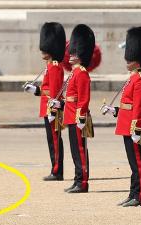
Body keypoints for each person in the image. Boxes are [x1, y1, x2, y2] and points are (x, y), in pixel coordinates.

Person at [102, 27, 141, 207]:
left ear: (137, 60)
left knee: (138, 163)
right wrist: (113, 110)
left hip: (133, 127)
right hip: (126, 124)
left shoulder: (140, 80)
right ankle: (133, 194)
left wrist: (137, 129)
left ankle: (140, 196)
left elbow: (139, 107)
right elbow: (127, 105)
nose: (126, 59)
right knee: (133, 163)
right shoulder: (132, 78)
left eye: (130, 57)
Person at [55, 24, 95, 193]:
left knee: (80, 152)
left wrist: (80, 118)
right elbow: (71, 98)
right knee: (75, 152)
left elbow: (83, 99)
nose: (70, 54)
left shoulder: (82, 73)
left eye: (74, 52)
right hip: (70, 116)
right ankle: (77, 179)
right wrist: (60, 104)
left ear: (81, 55)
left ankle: (82, 182)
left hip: (78, 118)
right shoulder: (74, 73)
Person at [24, 22, 66, 181]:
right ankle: (55, 169)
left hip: (51, 109)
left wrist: (52, 111)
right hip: (47, 107)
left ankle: (57, 171)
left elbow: (55, 92)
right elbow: (47, 90)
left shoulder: (55, 66)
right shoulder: (49, 66)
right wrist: (35, 90)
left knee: (54, 140)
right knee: (51, 140)